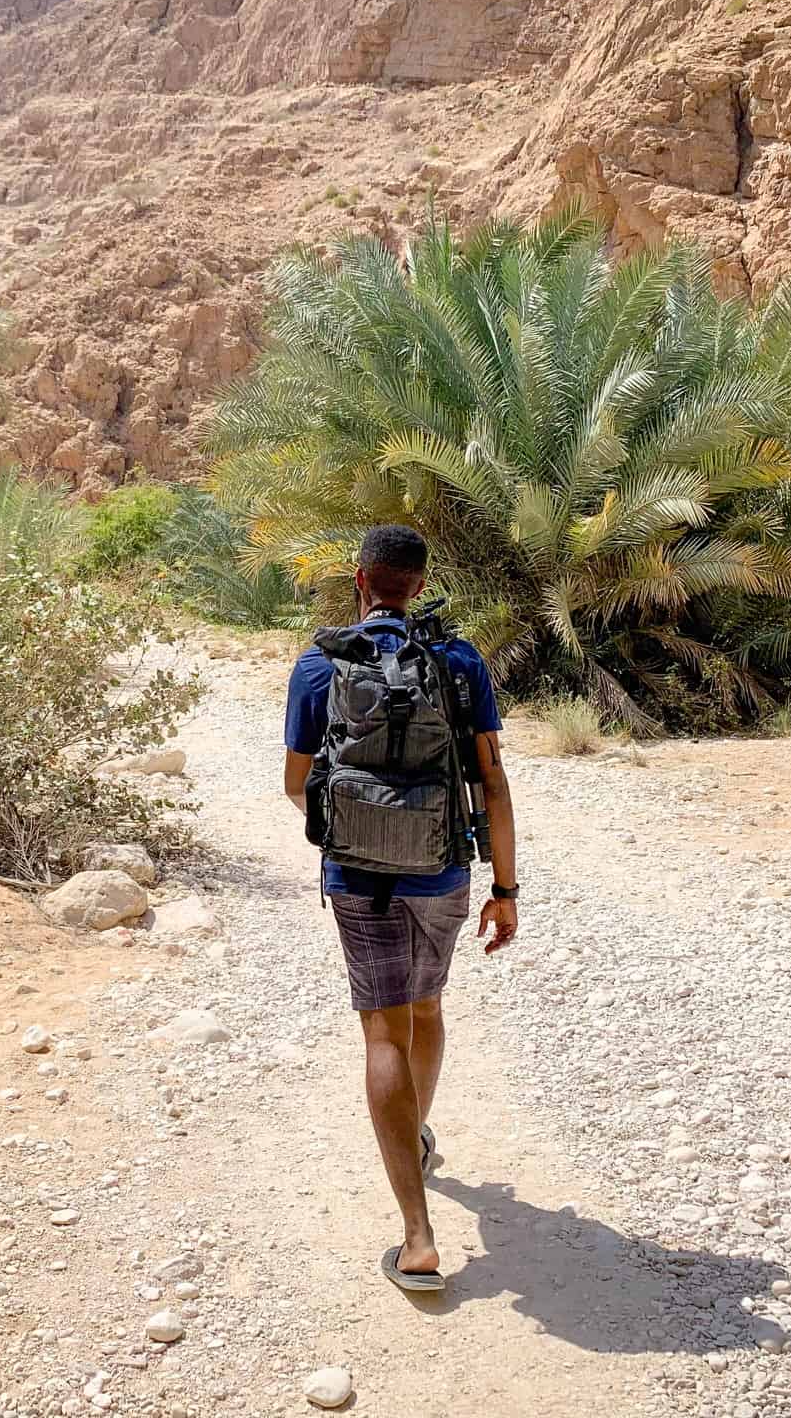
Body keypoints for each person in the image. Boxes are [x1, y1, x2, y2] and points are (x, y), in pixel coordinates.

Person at [282, 524, 520, 1292]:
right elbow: (492, 784)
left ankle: (416, 1239)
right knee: (427, 1007)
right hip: (443, 871)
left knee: (381, 1026)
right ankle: (414, 1133)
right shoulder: (457, 659)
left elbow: (296, 785)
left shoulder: (322, 662)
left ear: (360, 580)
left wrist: (363, 817)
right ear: (420, 585)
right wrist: (505, 889)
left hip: (361, 880)